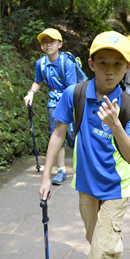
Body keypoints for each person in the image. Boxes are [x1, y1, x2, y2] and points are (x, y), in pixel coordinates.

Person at [39, 31, 130, 259]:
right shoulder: (76, 93)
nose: (109, 70)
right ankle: (116, 254)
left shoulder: (128, 105)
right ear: (91, 64)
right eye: (102, 63)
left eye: (117, 64)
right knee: (94, 237)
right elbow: (58, 134)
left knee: (99, 253)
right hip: (85, 185)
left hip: (116, 188)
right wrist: (46, 177)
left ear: (127, 67)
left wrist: (115, 124)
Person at [24, 28, 78, 185]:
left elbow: (72, 88)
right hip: (53, 104)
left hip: (70, 103)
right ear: (41, 46)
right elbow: (38, 81)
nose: (48, 46)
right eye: (44, 43)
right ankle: (61, 170)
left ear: (59, 44)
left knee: (74, 137)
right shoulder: (40, 63)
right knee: (56, 137)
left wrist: (69, 108)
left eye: (51, 42)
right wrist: (31, 93)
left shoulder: (67, 63)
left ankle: (80, 168)